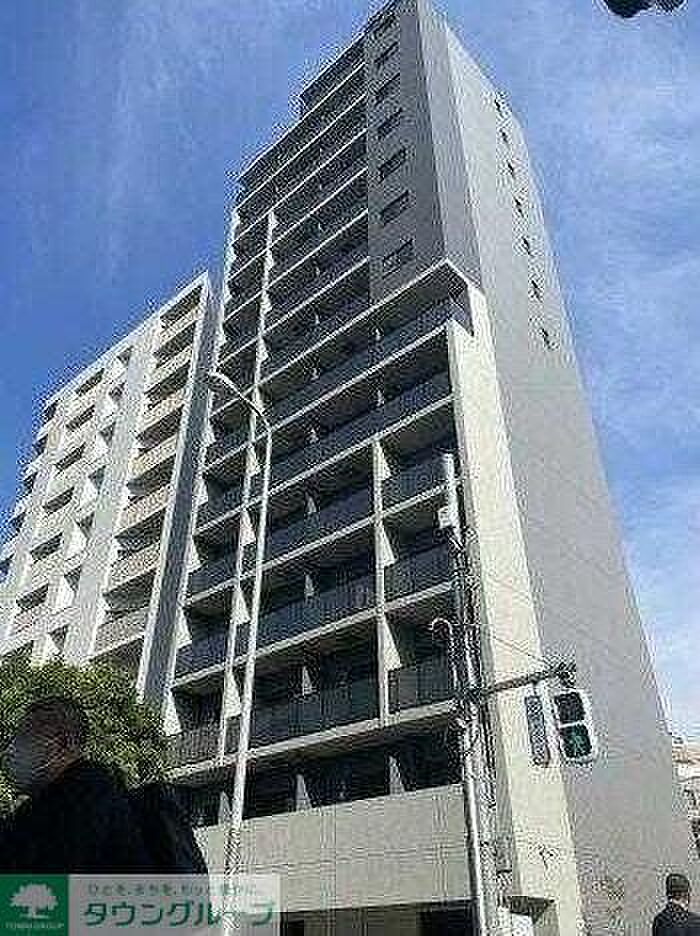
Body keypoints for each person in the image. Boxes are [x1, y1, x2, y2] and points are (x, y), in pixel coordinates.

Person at [0, 695, 154, 873]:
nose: (12, 749)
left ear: (63, 744)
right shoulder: (49, 800)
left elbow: (43, 879)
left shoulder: (86, 801)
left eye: (26, 737)